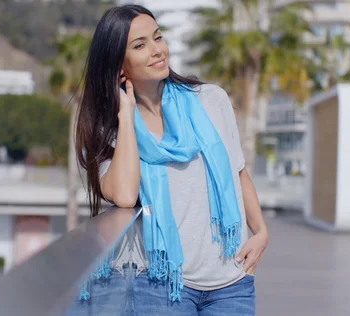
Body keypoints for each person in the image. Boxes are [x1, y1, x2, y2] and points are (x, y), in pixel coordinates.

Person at [71, 4, 268, 316]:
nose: (157, 50)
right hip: (162, 286)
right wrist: (126, 113)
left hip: (232, 285)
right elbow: (123, 195)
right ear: (118, 66)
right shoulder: (110, 129)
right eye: (140, 45)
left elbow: (238, 172)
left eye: (157, 37)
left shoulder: (210, 99)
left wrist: (261, 232)